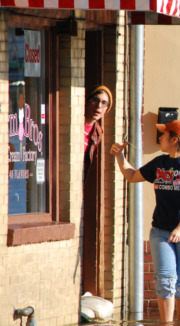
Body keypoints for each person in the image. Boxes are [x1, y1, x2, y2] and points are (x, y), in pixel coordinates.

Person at [110, 120, 180, 322]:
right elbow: (131, 176)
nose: (160, 139)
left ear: (175, 139)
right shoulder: (160, 163)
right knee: (165, 280)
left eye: (164, 135)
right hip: (161, 232)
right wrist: (119, 156)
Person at [83, 86, 112, 296]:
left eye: (104, 103)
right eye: (96, 100)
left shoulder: (97, 132)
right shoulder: (75, 123)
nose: (98, 106)